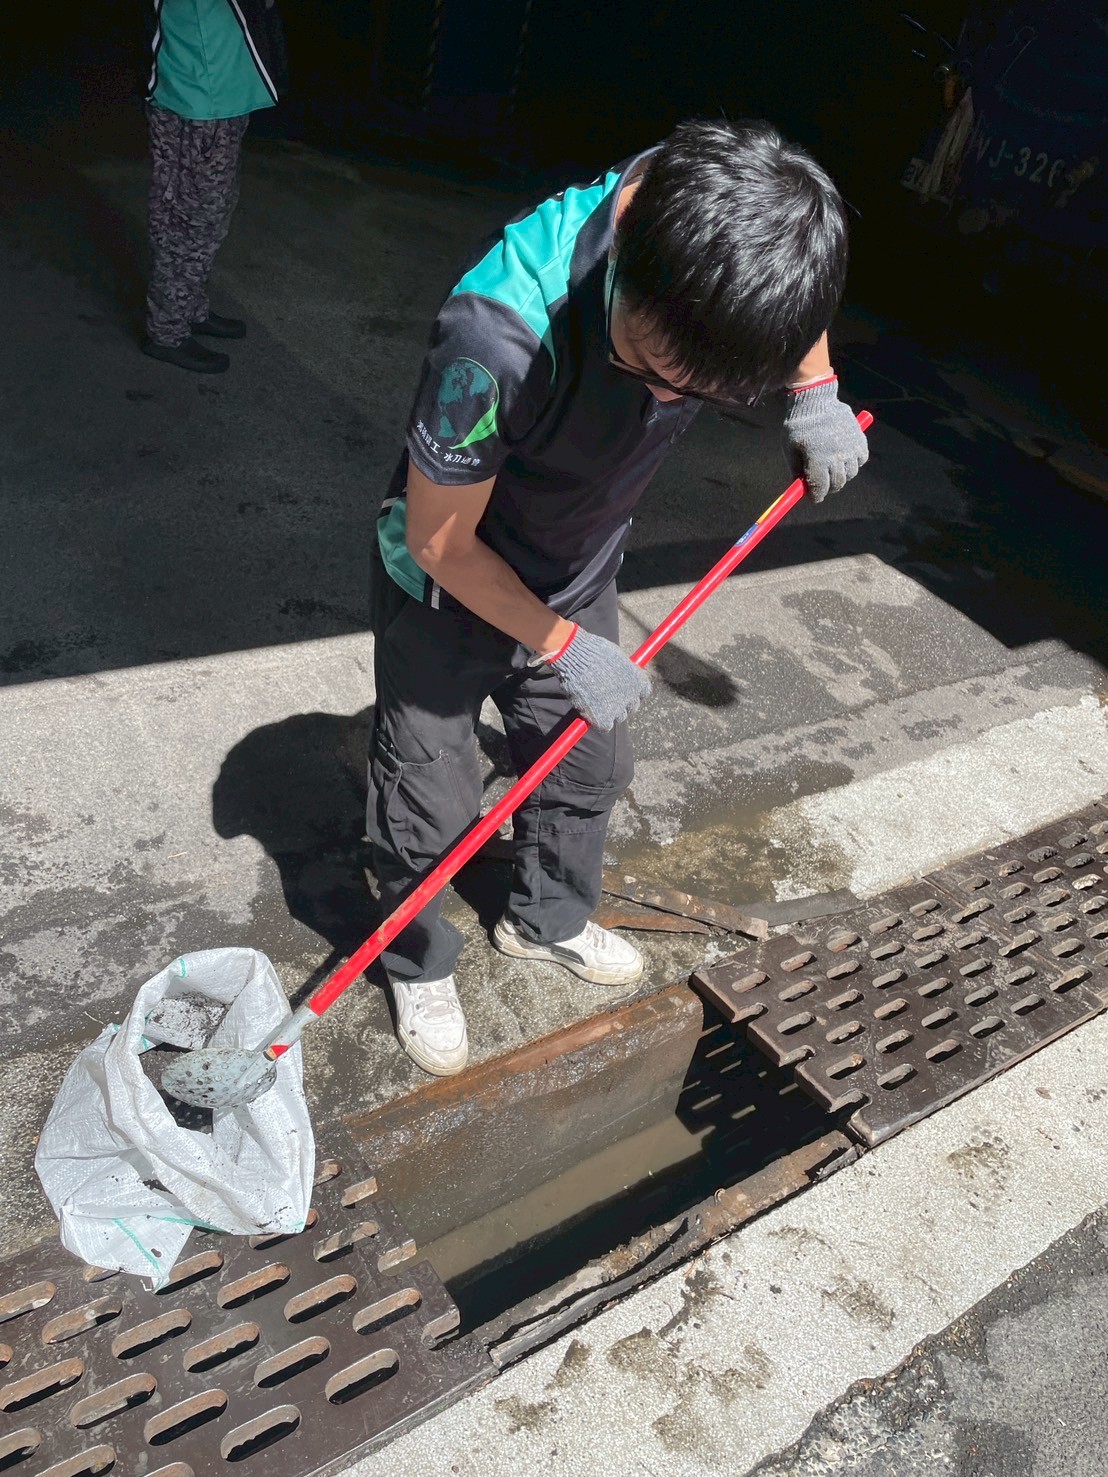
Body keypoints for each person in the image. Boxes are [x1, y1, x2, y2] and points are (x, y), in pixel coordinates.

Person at [368, 118, 869, 1077]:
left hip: (580, 554)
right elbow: (439, 538)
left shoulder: (731, 219)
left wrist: (816, 390)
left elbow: (783, 297)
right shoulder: (498, 335)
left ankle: (546, 917)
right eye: (655, 371)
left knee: (589, 767)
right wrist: (563, 643)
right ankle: (416, 959)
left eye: (706, 392)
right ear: (630, 270)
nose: (674, 401)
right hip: (447, 574)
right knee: (427, 792)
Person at [141, 0, 286, 373]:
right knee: (188, 222)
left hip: (224, 92)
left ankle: (189, 308)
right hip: (195, 98)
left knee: (212, 217)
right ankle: (167, 331)